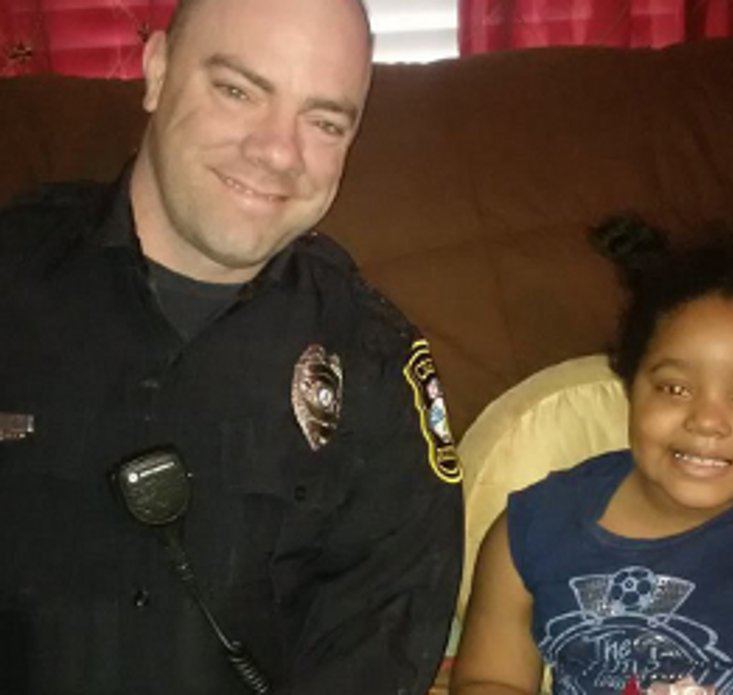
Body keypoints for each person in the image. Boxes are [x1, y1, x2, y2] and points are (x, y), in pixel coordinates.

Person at [0, 0, 463, 692]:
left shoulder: (376, 369)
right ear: (157, 71)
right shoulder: (13, 281)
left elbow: (376, 654)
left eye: (324, 121)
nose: (278, 152)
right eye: (238, 90)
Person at [450, 236, 733, 695]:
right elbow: (490, 679)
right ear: (631, 387)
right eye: (674, 389)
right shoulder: (533, 531)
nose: (706, 421)